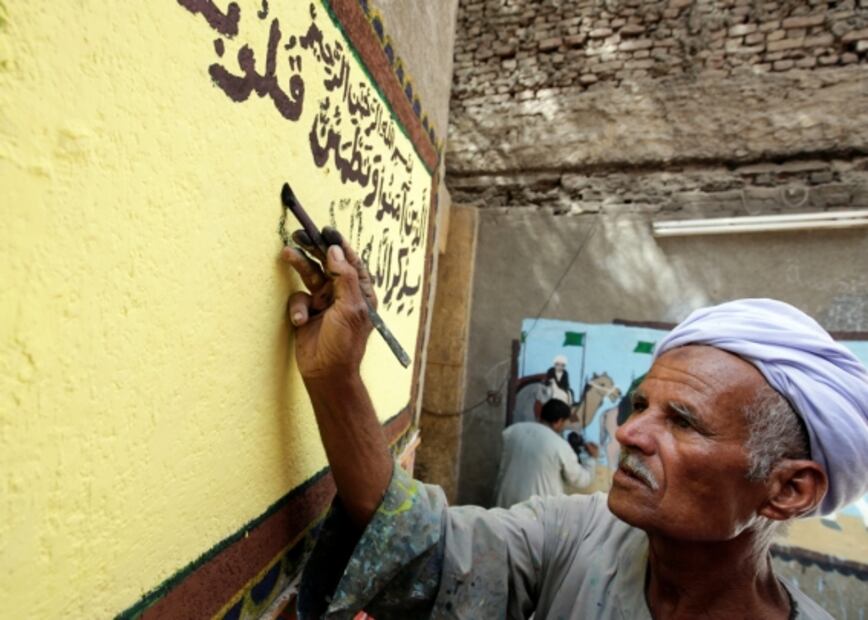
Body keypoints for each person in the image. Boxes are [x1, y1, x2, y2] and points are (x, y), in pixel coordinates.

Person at [282, 235, 868, 619]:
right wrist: (335, 377)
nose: (629, 434)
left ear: (789, 489)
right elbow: (421, 548)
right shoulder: (581, 533)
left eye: (683, 422)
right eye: (640, 406)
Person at [493, 399, 599, 508]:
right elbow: (580, 480)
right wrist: (591, 458)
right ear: (559, 421)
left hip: (506, 501)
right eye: (565, 422)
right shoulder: (560, 446)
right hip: (535, 508)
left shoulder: (513, 430)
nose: (565, 426)